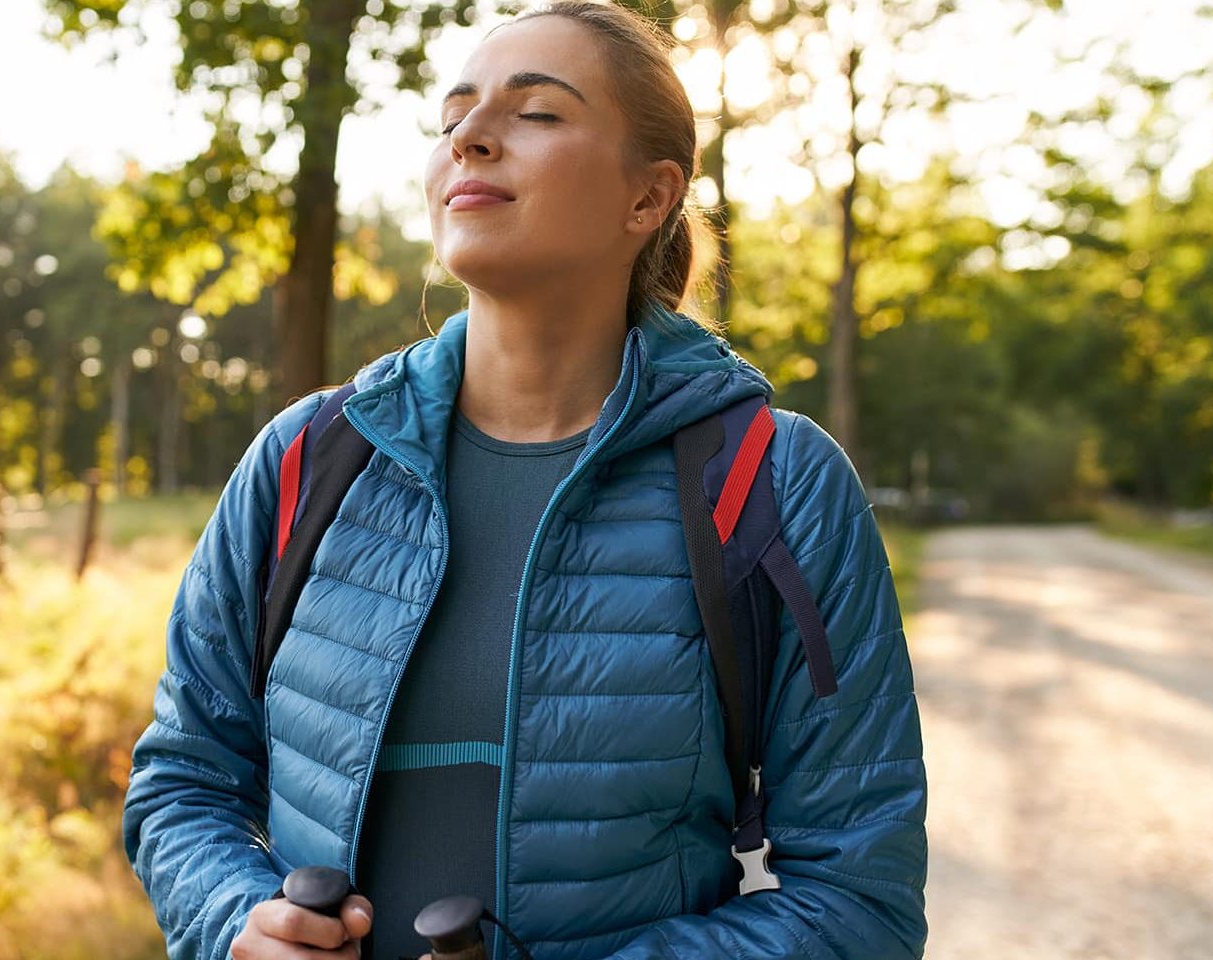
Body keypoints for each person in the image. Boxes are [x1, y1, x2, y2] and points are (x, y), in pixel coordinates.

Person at [122, 2, 928, 958]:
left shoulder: (776, 483)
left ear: (649, 197)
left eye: (536, 112)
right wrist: (233, 926)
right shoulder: (306, 458)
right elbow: (183, 781)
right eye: (451, 116)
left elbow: (859, 903)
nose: (469, 136)